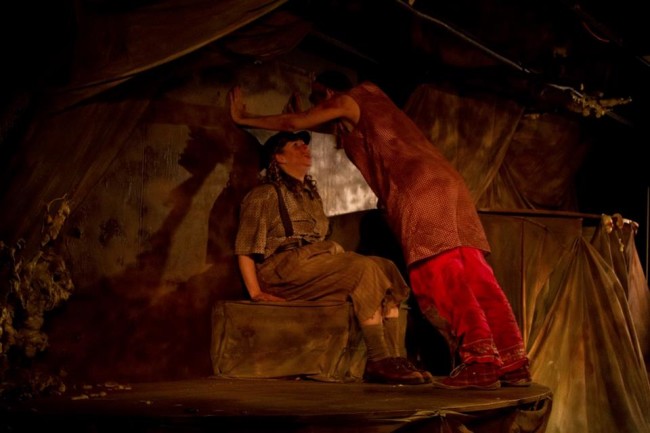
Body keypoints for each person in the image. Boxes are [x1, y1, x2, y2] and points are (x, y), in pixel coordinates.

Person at [228, 71, 532, 390]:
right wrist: (302, 116)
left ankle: (480, 362)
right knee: (476, 273)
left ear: (329, 93)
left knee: (442, 273)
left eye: (319, 101)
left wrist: (245, 117)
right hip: (450, 184)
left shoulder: (349, 100)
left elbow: (296, 124)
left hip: (420, 187)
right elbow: (309, 123)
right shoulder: (374, 101)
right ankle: (513, 362)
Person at [234, 130, 432, 385]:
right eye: (296, 146)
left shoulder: (310, 197)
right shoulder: (264, 196)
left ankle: (394, 357)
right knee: (361, 268)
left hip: (312, 264)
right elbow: (245, 248)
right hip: (282, 269)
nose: (306, 149)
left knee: (386, 268)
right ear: (279, 158)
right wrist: (255, 292)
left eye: (305, 144)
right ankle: (378, 359)